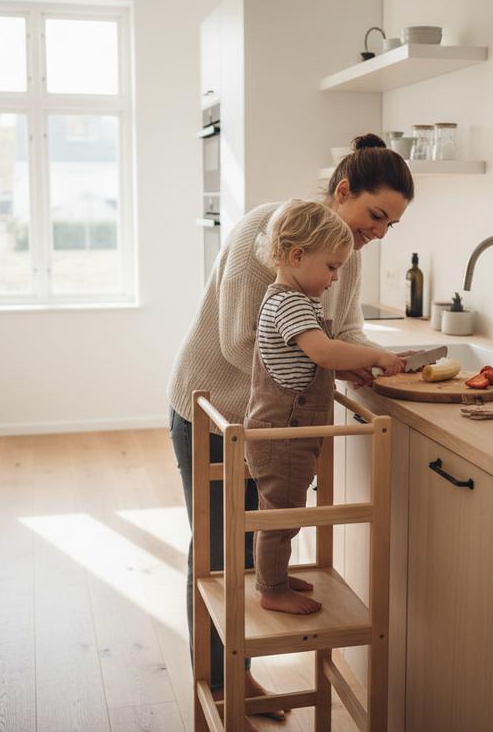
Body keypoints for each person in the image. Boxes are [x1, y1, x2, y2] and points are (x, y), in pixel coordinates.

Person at [166, 133, 413, 717]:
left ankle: (234, 675)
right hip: (213, 411)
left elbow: (342, 328)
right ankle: (223, 682)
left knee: (261, 540)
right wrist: (335, 358)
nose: (377, 233)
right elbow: (240, 344)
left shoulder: (341, 256)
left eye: (390, 227)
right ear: (342, 190)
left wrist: (365, 359)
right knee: (220, 554)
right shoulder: (268, 235)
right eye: (375, 215)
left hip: (273, 424)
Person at [245, 200, 405, 616]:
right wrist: (377, 357)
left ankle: (273, 578)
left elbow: (306, 363)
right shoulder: (292, 303)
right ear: (297, 257)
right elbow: (323, 352)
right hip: (284, 435)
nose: (336, 278)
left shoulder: (289, 298)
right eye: (332, 267)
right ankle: (272, 590)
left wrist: (349, 370)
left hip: (286, 431)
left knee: (282, 514)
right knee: (282, 517)